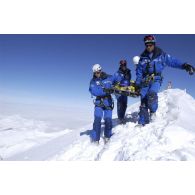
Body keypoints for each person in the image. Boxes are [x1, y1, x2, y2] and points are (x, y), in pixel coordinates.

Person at [135, 35, 195, 126]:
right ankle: (142, 121)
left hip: (156, 79)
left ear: (154, 44)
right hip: (144, 81)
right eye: (146, 45)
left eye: (150, 45)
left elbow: (173, 61)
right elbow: (139, 72)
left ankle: (153, 112)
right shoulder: (142, 58)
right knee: (143, 101)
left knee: (151, 94)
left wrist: (184, 65)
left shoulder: (161, 55)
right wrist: (138, 83)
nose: (148, 47)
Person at [89, 64, 114, 144]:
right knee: (97, 120)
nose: (98, 73)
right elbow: (94, 91)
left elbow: (117, 82)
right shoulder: (93, 81)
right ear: (94, 73)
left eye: (99, 71)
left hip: (108, 102)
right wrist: (106, 91)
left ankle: (107, 136)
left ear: (101, 70)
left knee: (108, 120)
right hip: (99, 102)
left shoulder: (109, 77)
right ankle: (96, 139)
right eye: (96, 72)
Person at [113, 60, 131, 124]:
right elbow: (112, 81)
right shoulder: (116, 73)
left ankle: (122, 117)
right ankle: (120, 119)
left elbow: (129, 82)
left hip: (125, 91)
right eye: (122, 65)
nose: (123, 66)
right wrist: (115, 86)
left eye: (124, 65)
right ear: (120, 65)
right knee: (120, 104)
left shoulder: (128, 73)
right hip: (118, 92)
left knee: (124, 105)